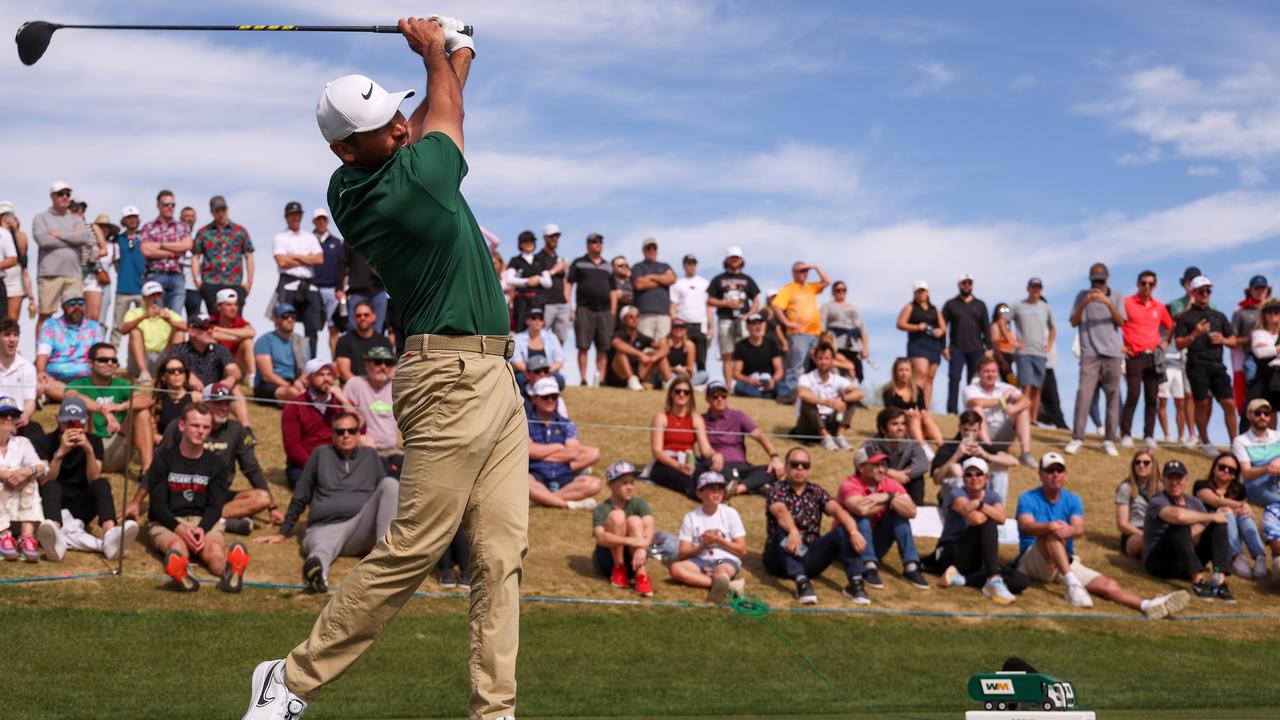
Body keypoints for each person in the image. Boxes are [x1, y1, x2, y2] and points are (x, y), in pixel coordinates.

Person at [244, 20, 529, 720]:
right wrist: (436, 49)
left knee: (500, 555)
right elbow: (447, 110)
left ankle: (495, 711)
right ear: (346, 148)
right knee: (416, 546)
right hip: (449, 377)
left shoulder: (381, 168)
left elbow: (439, 107)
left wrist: (458, 50)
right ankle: (289, 680)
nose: (400, 128)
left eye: (398, 113)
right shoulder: (402, 187)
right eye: (382, 126)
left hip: (495, 375)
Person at [1017, 452, 1187, 617]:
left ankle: (1146, 605)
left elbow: (1079, 528)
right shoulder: (1027, 498)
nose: (1055, 475)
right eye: (1050, 470)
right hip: (1033, 559)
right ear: (1040, 474)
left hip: (1064, 559)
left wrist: (1070, 530)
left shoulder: (1073, 499)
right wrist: (1050, 526)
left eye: (1059, 470)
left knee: (1108, 584)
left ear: (1065, 474)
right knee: (1050, 534)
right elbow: (1026, 526)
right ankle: (1073, 586)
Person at [257, 412, 399, 595]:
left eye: (351, 430)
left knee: (390, 485)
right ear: (333, 435)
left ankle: (385, 563)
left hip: (361, 528)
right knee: (320, 549)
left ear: (359, 433)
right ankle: (318, 576)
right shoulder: (320, 454)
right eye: (340, 431)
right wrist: (283, 532)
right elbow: (301, 495)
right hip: (326, 527)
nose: (345, 435)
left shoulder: (371, 456)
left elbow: (385, 499)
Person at [147, 403, 248, 593]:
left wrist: (201, 528)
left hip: (203, 521)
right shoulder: (163, 459)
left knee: (215, 551)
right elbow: (157, 506)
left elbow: (215, 505)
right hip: (169, 520)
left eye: (205, 427)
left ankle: (230, 572)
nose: (200, 431)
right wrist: (180, 528)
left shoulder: (216, 464)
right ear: (182, 426)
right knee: (176, 546)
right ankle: (183, 573)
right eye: (195, 426)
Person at [155, 384, 281, 532]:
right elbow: (159, 461)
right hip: (184, 490)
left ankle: (214, 519)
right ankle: (222, 522)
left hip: (217, 495)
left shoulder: (236, 430)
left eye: (227, 403)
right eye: (217, 403)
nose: (223, 408)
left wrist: (272, 507)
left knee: (262, 498)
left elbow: (251, 468)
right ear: (204, 404)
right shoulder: (180, 426)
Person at [763, 447, 868, 604]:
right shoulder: (776, 489)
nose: (800, 468)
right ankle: (802, 583)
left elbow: (838, 510)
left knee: (843, 530)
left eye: (804, 465)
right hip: (779, 558)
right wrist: (793, 531)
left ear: (809, 470)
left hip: (808, 556)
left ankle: (855, 582)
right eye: (795, 464)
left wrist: (853, 532)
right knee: (781, 531)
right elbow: (780, 512)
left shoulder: (816, 492)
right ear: (786, 467)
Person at [932, 458, 1026, 603]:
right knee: (987, 522)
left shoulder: (992, 496)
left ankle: (962, 580)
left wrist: (979, 504)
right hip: (950, 554)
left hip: (976, 558)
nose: (974, 478)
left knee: (1020, 580)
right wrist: (988, 510)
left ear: (986, 478)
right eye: (969, 475)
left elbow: (1002, 518)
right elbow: (976, 519)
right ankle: (993, 580)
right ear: (963, 478)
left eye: (978, 474)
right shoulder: (957, 493)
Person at [1143, 459, 1235, 602]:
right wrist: (1210, 517)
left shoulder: (1195, 502)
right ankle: (1197, 581)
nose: (1174, 482)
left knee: (1219, 526)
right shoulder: (1157, 500)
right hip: (1160, 562)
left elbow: (1205, 532)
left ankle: (1220, 580)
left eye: (1178, 478)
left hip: (1187, 556)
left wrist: (1208, 522)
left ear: (1187, 480)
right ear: (1163, 481)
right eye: (1170, 478)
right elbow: (1178, 517)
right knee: (1179, 526)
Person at [840, 445, 929, 591]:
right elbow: (861, 510)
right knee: (862, 517)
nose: (882, 469)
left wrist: (888, 496)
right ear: (861, 467)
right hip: (849, 546)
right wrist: (890, 502)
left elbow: (912, 511)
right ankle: (869, 567)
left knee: (899, 512)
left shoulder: (889, 483)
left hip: (875, 543)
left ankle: (911, 566)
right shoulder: (848, 485)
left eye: (883, 464)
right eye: (876, 465)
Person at [1064, 263, 1127, 457]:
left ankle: (1109, 439)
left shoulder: (1116, 296)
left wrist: (1107, 302)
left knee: (1113, 396)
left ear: (1107, 279)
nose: (1097, 284)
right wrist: (1085, 302)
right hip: (1089, 353)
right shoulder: (1081, 295)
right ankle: (1077, 438)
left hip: (1112, 353)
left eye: (1100, 281)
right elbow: (1073, 321)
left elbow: (1122, 322)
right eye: (1094, 281)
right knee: (1084, 394)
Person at [65, 342, 155, 474]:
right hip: (88, 446)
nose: (110, 363)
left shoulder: (121, 384)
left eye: (114, 360)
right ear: (90, 363)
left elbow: (146, 400)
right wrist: (104, 411)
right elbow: (70, 397)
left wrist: (119, 407)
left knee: (142, 412)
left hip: (117, 444)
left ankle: (147, 471)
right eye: (103, 360)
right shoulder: (80, 383)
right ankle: (76, 467)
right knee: (76, 409)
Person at [1174, 275, 1239, 456]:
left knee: (1229, 402)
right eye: (1201, 291)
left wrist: (1224, 339)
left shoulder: (1218, 316)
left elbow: (1233, 340)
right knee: (1201, 403)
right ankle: (1205, 442)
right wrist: (1195, 333)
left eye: (1208, 291)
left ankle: (1235, 443)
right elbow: (1179, 343)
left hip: (1217, 364)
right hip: (1196, 363)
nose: (1205, 294)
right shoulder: (1185, 317)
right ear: (1193, 293)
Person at [159, 313, 250, 427]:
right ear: (191, 331)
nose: (211, 331)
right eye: (205, 328)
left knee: (235, 388)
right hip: (188, 395)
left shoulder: (219, 349)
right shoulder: (179, 349)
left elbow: (234, 370)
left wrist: (230, 379)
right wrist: (189, 376)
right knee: (193, 394)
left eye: (212, 328)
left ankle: (246, 428)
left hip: (215, 394)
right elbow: (171, 367)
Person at [670, 470, 747, 604]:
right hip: (700, 561)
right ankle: (728, 587)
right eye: (712, 489)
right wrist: (703, 545)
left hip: (724, 559)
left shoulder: (730, 514)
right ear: (700, 493)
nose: (717, 493)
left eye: (720, 489)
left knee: (720, 571)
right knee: (676, 569)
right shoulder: (691, 518)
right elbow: (683, 553)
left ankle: (717, 591)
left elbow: (742, 550)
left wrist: (720, 541)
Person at [527, 377, 602, 509]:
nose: (550, 400)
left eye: (554, 396)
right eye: (545, 397)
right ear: (535, 398)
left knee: (594, 483)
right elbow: (528, 451)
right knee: (525, 482)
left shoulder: (567, 423)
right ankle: (567, 504)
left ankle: (541, 499)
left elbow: (573, 453)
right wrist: (558, 447)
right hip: (535, 474)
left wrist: (540, 454)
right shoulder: (525, 422)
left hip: (564, 475)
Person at [33, 181, 93, 342]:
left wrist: (58, 235)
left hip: (76, 273)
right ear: (52, 196)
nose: (65, 197)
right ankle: (42, 354)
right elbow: (43, 240)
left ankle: (75, 351)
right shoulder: (41, 218)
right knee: (46, 314)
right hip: (49, 274)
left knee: (80, 313)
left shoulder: (80, 221)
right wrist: (71, 237)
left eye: (68, 194)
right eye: (61, 194)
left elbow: (85, 239)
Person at [1120, 270, 1173, 450]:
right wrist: (1118, 346)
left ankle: (1149, 435)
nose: (1147, 287)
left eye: (1150, 284)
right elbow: (1115, 323)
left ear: (1155, 286)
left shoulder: (1159, 306)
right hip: (1134, 355)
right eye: (1143, 283)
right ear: (1138, 284)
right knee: (1133, 394)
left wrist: (1166, 341)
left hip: (1154, 356)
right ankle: (1125, 434)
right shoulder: (1127, 302)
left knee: (1152, 397)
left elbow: (1171, 326)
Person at [702, 380, 785, 495]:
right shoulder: (701, 420)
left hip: (742, 467)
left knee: (773, 470)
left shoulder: (737, 416)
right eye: (715, 396)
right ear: (707, 399)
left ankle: (738, 488)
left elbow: (760, 437)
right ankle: (754, 485)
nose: (720, 399)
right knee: (706, 466)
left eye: (723, 395)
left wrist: (774, 457)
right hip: (719, 466)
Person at [1194, 452, 1268, 580]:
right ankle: (1236, 557)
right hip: (1209, 535)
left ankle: (1259, 557)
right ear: (1214, 468)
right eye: (1222, 467)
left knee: (1244, 516)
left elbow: (1242, 510)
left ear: (1235, 475)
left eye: (1231, 470)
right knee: (1227, 511)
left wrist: (1243, 509)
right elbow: (1215, 501)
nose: (1226, 471)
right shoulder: (1201, 485)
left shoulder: (1239, 490)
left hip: (1234, 536)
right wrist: (1240, 505)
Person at [282, 360, 353, 489]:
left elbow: (361, 429)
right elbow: (292, 447)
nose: (326, 379)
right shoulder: (294, 407)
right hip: (305, 465)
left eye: (329, 374)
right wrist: (316, 468)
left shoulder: (340, 403)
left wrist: (344, 401)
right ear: (308, 379)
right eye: (320, 375)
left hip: (339, 462)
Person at [649, 376, 723, 498]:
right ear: (671, 394)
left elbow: (705, 449)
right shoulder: (661, 417)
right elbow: (657, 451)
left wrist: (716, 455)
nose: (681, 394)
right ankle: (704, 498)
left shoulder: (695, 418)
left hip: (688, 462)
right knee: (686, 481)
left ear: (690, 396)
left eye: (686, 392)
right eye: (678, 391)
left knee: (705, 475)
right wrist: (678, 466)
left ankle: (719, 496)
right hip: (666, 464)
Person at [590, 460, 655, 596]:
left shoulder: (639, 503)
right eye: (624, 483)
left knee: (635, 520)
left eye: (632, 482)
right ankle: (619, 569)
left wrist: (642, 548)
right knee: (617, 516)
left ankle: (641, 576)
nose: (630, 487)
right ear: (611, 485)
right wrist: (631, 541)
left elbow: (649, 526)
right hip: (606, 561)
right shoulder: (601, 509)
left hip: (635, 557)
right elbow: (601, 538)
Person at [930, 410, 1019, 504]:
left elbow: (1014, 462)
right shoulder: (948, 447)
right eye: (966, 430)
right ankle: (962, 504)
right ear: (959, 427)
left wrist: (986, 456)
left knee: (1000, 466)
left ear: (980, 429)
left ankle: (998, 505)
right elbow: (936, 479)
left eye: (974, 431)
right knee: (955, 469)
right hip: (954, 502)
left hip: (981, 498)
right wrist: (956, 456)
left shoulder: (982, 447)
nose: (970, 434)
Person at [961, 356, 1036, 468]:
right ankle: (990, 450)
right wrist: (1002, 400)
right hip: (980, 436)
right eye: (986, 371)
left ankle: (1025, 454)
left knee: (1023, 411)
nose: (990, 375)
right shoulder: (970, 389)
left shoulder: (1006, 387)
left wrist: (1013, 409)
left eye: (993, 371)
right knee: (977, 410)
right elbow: (974, 402)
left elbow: (1026, 401)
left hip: (1004, 433)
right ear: (979, 373)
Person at [273, 201, 325, 356]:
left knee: (312, 327)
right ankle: (287, 359)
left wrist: (294, 256)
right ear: (286, 217)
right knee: (285, 324)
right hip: (289, 284)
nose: (295, 218)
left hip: (309, 285)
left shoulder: (309, 237)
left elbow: (319, 259)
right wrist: (307, 258)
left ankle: (311, 361)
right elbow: (282, 261)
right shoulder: (280, 237)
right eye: (292, 215)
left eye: (298, 214)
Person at [772, 261, 829, 403]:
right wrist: (787, 322)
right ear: (793, 273)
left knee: (812, 365)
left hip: (814, 333)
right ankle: (791, 394)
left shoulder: (810, 288)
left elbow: (827, 281)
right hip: (798, 334)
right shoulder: (788, 289)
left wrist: (815, 267)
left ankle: (809, 394)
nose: (804, 273)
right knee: (796, 366)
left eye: (806, 271)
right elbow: (776, 306)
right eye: (801, 270)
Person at [0, 396, 48, 562]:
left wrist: (26, 472)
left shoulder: (22, 442)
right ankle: (3, 536)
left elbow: (42, 467)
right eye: (4, 415)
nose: (9, 419)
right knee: (7, 473)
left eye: (13, 415)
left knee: (29, 477)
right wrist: (5, 474)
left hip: (14, 506)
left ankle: (26, 537)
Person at [36, 289, 107, 402]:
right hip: (56, 378)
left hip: (86, 380)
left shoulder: (94, 327)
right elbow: (43, 351)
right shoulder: (51, 325)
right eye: (72, 304)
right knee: (44, 384)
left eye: (81, 304)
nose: (77, 307)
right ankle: (86, 398)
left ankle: (59, 396)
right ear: (63, 307)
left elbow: (101, 353)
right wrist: (40, 371)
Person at [565, 232, 617, 386]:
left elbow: (613, 290)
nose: (598, 244)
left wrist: (613, 310)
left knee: (603, 347)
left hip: (605, 312)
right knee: (583, 346)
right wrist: (570, 306)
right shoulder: (578, 263)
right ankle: (583, 379)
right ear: (588, 245)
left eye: (600, 241)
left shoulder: (608, 266)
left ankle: (600, 379)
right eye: (594, 242)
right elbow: (569, 284)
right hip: (584, 310)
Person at [342, 346, 402, 477]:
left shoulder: (395, 386)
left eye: (388, 363)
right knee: (386, 474)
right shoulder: (355, 384)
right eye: (377, 362)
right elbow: (343, 418)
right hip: (365, 450)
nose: (383, 367)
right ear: (366, 365)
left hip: (393, 450)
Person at [707, 247, 761, 388]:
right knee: (727, 354)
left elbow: (756, 301)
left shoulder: (748, 279)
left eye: (737, 258)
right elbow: (710, 300)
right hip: (725, 320)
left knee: (745, 353)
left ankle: (745, 385)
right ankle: (730, 386)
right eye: (732, 258)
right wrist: (725, 303)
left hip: (743, 321)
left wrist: (749, 315)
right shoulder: (719, 279)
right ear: (727, 260)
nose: (735, 260)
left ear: (741, 260)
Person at [794, 342, 863, 451]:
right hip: (808, 424)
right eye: (820, 358)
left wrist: (842, 400)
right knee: (807, 400)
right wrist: (827, 402)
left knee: (852, 400)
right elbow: (802, 393)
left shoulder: (838, 379)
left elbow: (859, 393)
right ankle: (825, 437)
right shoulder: (806, 378)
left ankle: (840, 436)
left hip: (830, 421)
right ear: (815, 359)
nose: (823, 362)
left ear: (832, 360)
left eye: (826, 358)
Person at [192, 195, 253, 314]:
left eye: (223, 210)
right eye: (217, 210)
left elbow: (249, 256)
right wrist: (197, 280)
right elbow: (196, 256)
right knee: (215, 319)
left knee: (235, 320)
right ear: (212, 212)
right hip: (211, 282)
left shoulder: (240, 231)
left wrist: (249, 281)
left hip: (234, 282)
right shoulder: (204, 232)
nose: (221, 213)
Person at [942, 274, 990, 415]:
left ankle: (972, 411)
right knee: (954, 377)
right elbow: (943, 326)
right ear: (959, 285)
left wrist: (989, 347)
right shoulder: (950, 304)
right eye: (964, 283)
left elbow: (986, 327)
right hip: (956, 348)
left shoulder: (980, 305)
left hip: (976, 349)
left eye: (969, 283)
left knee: (974, 381)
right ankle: (952, 410)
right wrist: (943, 346)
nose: (967, 285)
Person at [1010, 277, 1055, 427]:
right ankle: (1023, 416)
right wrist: (1012, 341)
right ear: (1028, 288)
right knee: (1026, 386)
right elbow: (1004, 317)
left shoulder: (1045, 308)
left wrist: (1049, 343)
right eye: (1033, 287)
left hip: (1040, 354)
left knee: (1037, 388)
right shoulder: (1017, 305)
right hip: (1023, 353)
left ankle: (1033, 419)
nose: (1035, 290)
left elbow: (1053, 327)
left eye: (1038, 287)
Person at [137, 189, 192, 313]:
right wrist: (173, 252)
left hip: (175, 275)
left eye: (173, 205)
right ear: (158, 206)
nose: (170, 207)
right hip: (153, 276)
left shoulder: (181, 227)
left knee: (174, 317)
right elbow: (145, 250)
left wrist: (159, 245)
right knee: (152, 315)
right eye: (166, 205)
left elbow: (186, 246)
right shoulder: (136, 234)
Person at [119, 280, 186, 381]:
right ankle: (144, 373)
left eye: (158, 295)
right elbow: (123, 330)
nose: (155, 298)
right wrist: (144, 316)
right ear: (144, 298)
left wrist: (170, 321)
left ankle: (174, 371)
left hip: (163, 358)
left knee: (179, 332)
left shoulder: (168, 313)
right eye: (152, 295)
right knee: (135, 332)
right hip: (141, 359)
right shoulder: (136, 313)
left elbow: (187, 328)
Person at [895, 280, 946, 411]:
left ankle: (925, 409)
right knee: (920, 373)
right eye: (918, 291)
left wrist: (939, 331)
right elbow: (900, 324)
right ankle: (916, 405)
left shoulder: (935, 309)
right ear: (914, 293)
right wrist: (917, 327)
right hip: (917, 344)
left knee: (930, 377)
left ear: (927, 292)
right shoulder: (910, 307)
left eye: (923, 291)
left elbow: (943, 327)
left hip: (933, 345)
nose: (921, 294)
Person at [882, 357, 943, 448]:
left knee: (925, 417)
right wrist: (905, 412)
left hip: (916, 422)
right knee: (914, 419)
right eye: (901, 370)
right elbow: (889, 411)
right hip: (898, 423)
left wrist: (922, 412)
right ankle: (923, 449)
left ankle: (942, 446)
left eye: (907, 370)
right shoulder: (889, 391)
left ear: (911, 372)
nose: (904, 373)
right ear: (895, 372)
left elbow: (923, 408)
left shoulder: (917, 390)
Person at [254, 303, 309, 402]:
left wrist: (301, 381)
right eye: (285, 316)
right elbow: (267, 375)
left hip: (295, 382)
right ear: (275, 319)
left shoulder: (301, 341)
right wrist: (290, 385)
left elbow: (307, 369)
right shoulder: (265, 341)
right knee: (293, 393)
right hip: (268, 384)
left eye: (293, 317)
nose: (290, 319)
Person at [605, 305, 669, 390]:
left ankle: (668, 382)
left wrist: (654, 358)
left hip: (639, 375)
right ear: (623, 321)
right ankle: (631, 379)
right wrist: (640, 355)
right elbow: (617, 344)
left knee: (658, 354)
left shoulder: (641, 337)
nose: (635, 319)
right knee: (621, 353)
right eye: (631, 317)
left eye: (637, 317)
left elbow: (665, 347)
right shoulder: (618, 334)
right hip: (617, 376)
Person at [1231, 275, 1271, 413]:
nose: (1260, 291)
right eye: (1257, 288)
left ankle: (1272, 434)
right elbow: (1233, 340)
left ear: (1267, 290)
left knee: (1271, 397)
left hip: (1273, 357)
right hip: (1251, 357)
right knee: (1253, 393)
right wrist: (1251, 338)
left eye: (1263, 288)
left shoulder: (1274, 310)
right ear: (1250, 291)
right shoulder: (1240, 312)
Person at [1234, 398, 1280, 511]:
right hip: (1256, 487)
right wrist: (1268, 468)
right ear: (1249, 415)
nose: (1262, 417)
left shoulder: (1277, 436)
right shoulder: (1241, 441)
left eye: (1266, 413)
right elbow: (1246, 473)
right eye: (1258, 413)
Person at [311, 208, 345, 356]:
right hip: (313, 289)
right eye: (318, 219)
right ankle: (312, 362)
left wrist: (341, 288)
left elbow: (342, 267)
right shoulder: (308, 240)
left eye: (324, 219)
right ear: (314, 222)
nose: (321, 222)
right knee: (312, 327)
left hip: (332, 290)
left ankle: (336, 363)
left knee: (333, 328)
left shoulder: (337, 243)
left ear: (327, 221)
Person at [336, 236, 388, 335]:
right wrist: (339, 288)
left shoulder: (380, 237)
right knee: (353, 328)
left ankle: (374, 350)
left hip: (378, 291)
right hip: (357, 291)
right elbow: (341, 264)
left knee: (377, 330)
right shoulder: (350, 238)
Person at [820, 280, 869, 383]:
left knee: (851, 374)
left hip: (853, 346)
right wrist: (830, 337)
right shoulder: (827, 306)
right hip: (835, 345)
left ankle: (849, 396)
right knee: (835, 371)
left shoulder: (854, 308)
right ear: (833, 292)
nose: (841, 292)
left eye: (843, 290)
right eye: (838, 290)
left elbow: (863, 330)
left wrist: (865, 347)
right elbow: (822, 327)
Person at [1114, 450, 1159, 560]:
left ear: (1153, 465)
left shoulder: (1161, 488)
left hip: (1156, 530)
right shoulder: (1126, 488)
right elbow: (1122, 524)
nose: (1141, 465)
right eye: (1137, 462)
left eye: (1146, 462)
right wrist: (1143, 534)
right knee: (1148, 541)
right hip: (1134, 533)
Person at [670, 253, 710, 374]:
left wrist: (710, 326)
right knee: (684, 352)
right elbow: (673, 305)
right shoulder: (677, 283)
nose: (691, 266)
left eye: (693, 264)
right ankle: (683, 377)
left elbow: (709, 306)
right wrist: (674, 322)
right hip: (683, 324)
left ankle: (701, 379)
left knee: (701, 355)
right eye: (689, 264)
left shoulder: (704, 283)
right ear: (684, 265)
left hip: (700, 323)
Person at [0, 319, 40, 439]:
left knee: (37, 433)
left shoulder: (28, 368)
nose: (12, 339)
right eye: (7, 335)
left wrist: (25, 416)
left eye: (15, 334)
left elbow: (30, 401)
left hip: (18, 423)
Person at [334, 301, 392, 382]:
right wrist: (363, 388)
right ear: (354, 319)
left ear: (374, 317)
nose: (362, 318)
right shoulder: (344, 341)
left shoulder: (384, 341)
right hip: (354, 389)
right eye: (358, 315)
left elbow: (390, 369)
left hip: (380, 387)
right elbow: (344, 372)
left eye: (366, 315)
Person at [632, 238, 677, 342]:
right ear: (643, 250)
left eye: (654, 248)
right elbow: (639, 284)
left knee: (662, 346)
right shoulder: (638, 267)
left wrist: (650, 277)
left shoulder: (665, 266)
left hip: (664, 315)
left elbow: (672, 279)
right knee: (645, 347)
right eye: (649, 248)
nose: (651, 250)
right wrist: (661, 281)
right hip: (644, 314)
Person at [731, 311, 783, 398]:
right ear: (748, 327)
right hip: (750, 382)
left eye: (760, 324)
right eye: (754, 324)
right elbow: (736, 373)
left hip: (768, 380)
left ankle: (766, 393)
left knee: (785, 388)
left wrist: (773, 381)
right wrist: (748, 380)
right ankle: (766, 395)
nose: (757, 327)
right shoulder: (740, 346)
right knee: (739, 387)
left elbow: (779, 369)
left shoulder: (772, 343)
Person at [535, 223, 571, 345]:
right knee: (540, 336)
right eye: (552, 236)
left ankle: (557, 363)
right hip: (546, 303)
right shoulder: (538, 258)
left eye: (557, 236)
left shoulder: (558, 258)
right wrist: (555, 270)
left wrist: (568, 302)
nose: (555, 239)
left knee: (561, 338)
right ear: (545, 237)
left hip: (562, 303)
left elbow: (565, 282)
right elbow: (537, 279)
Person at [511, 307, 565, 388]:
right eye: (534, 318)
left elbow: (560, 360)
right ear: (527, 321)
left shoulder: (552, 337)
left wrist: (544, 373)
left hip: (547, 372)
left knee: (560, 380)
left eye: (540, 318)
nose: (537, 321)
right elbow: (516, 361)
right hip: (527, 373)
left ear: (543, 322)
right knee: (520, 380)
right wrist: (533, 373)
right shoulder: (517, 338)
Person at [211, 288, 256, 383]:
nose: (233, 308)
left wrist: (223, 330)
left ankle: (253, 378)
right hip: (218, 368)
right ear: (219, 307)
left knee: (247, 342)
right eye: (228, 305)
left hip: (237, 366)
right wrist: (238, 336)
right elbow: (212, 335)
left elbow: (251, 333)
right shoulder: (211, 320)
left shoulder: (239, 320)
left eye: (235, 305)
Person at [0, 202, 33, 323]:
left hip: (15, 280)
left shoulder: (20, 235)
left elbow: (22, 253)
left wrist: (14, 231)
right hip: (2, 276)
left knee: (11, 321)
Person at [151, 357, 195, 442]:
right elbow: (152, 434)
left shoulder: (196, 398)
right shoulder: (156, 401)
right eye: (171, 371)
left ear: (185, 375)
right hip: (164, 447)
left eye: (181, 370)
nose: (177, 373)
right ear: (163, 376)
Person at [1249, 299, 1280, 413]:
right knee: (1266, 409)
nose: (1272, 315)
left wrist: (1268, 348)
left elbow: (1264, 352)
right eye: (1269, 312)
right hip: (1266, 375)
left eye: (1276, 312)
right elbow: (1260, 353)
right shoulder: (1258, 333)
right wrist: (1277, 349)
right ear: (1264, 314)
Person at [663, 319, 705, 385]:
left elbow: (690, 368)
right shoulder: (665, 344)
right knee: (669, 376)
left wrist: (684, 371)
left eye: (681, 328)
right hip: (670, 373)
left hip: (683, 374)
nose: (678, 330)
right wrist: (675, 369)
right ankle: (682, 384)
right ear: (671, 330)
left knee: (704, 375)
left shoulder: (689, 345)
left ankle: (682, 384)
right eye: (675, 328)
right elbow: (662, 366)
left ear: (684, 330)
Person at [989, 303, 1018, 385]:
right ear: (997, 312)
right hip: (1002, 358)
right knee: (1011, 384)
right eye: (1002, 310)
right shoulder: (995, 325)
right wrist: (1002, 362)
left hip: (1009, 359)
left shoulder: (1008, 328)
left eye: (1007, 310)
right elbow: (994, 344)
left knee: (1010, 384)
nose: (1004, 312)